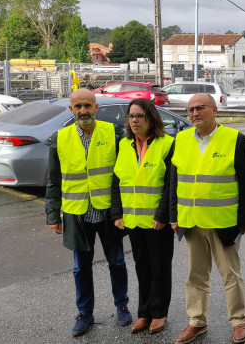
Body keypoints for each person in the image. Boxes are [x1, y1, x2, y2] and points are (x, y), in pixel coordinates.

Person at [170, 93, 245, 344]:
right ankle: (197, 322)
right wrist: (174, 217)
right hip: (191, 221)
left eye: (200, 108)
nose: (195, 113)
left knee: (231, 275)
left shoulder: (234, 139)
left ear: (214, 110)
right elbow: (174, 182)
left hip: (223, 222)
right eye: (191, 110)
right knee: (195, 276)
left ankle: (239, 321)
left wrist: (243, 223)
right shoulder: (182, 139)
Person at [45, 88, 131, 337]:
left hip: (108, 212)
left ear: (96, 108)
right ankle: (85, 313)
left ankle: (122, 305)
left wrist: (123, 210)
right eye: (78, 107)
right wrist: (52, 215)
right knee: (81, 268)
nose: (83, 111)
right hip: (76, 212)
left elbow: (122, 175)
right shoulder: (60, 138)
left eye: (87, 106)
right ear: (71, 110)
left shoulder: (113, 133)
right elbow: (53, 181)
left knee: (117, 261)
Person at [109, 98, 175, 334]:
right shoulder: (124, 144)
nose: (134, 121)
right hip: (134, 220)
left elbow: (170, 184)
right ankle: (144, 312)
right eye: (131, 116)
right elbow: (117, 181)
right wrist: (117, 213)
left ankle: (159, 313)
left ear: (151, 118)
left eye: (140, 116)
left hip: (158, 221)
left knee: (159, 268)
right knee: (142, 268)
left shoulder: (167, 144)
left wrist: (163, 214)